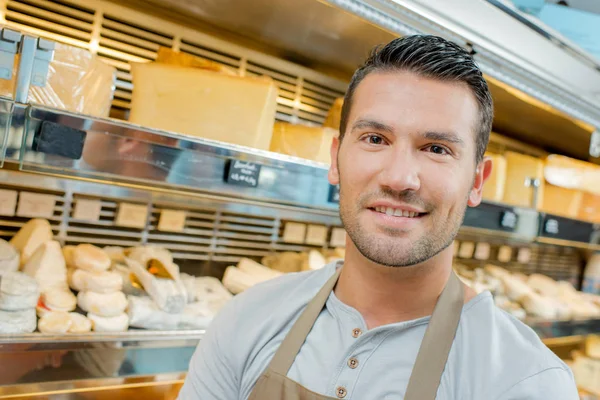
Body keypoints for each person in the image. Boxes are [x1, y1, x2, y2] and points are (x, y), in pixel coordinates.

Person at [178, 35, 579, 399]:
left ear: (477, 181)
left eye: (436, 148)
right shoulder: (247, 320)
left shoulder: (526, 381)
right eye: (375, 139)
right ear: (335, 159)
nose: (400, 178)